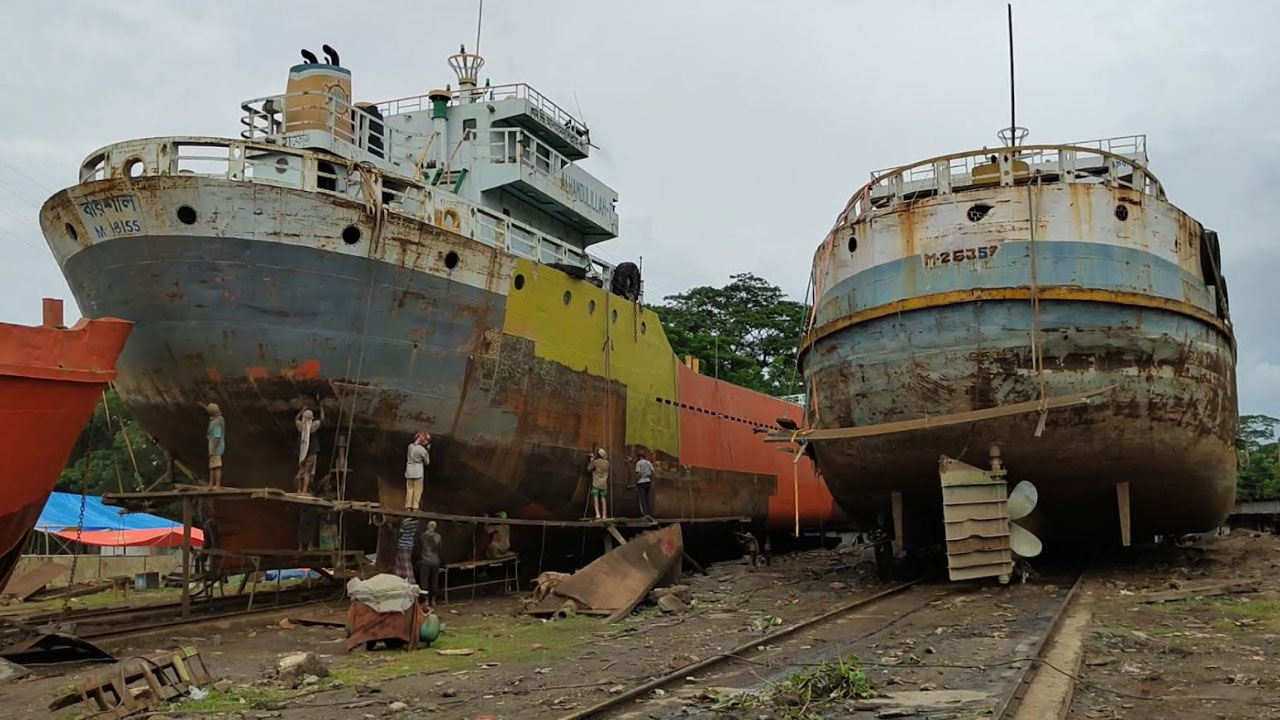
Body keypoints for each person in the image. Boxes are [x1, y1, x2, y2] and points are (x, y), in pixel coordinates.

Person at [294, 405, 324, 495]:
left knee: (301, 470)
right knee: (308, 472)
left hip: (302, 453)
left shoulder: (300, 426)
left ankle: (299, 490)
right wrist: (321, 408)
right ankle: (304, 491)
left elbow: (296, 419)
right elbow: (322, 419)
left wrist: (302, 410)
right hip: (312, 452)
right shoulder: (313, 427)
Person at [418, 520, 443, 604]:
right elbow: (440, 550)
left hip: (425, 561)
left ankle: (426, 600)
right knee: (434, 581)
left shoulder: (422, 536)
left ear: (427, 526)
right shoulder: (438, 537)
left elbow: (419, 548)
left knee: (424, 581)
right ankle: (433, 600)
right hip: (435, 561)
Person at [405, 431, 430, 510]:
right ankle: (415, 507)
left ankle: (408, 506)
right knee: (418, 490)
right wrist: (427, 450)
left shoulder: (410, 446)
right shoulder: (423, 450)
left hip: (409, 471)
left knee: (409, 489)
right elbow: (427, 462)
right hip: (418, 472)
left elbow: (414, 444)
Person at [394, 516, 420, 585]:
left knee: (406, 565)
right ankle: (398, 581)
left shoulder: (405, 522)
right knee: (398, 565)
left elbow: (400, 533)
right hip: (410, 544)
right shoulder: (417, 522)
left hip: (403, 545)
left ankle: (411, 582)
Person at [587, 448, 610, 520]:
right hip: (604, 484)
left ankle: (598, 514)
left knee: (596, 499)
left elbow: (589, 469)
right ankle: (604, 515)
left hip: (596, 484)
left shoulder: (596, 462)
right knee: (603, 500)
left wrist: (591, 461)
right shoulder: (607, 463)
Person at [206, 403, 225, 487]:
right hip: (213, 447)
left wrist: (213, 450)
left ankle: (217, 484)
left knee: (216, 466)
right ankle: (210, 484)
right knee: (212, 466)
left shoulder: (217, 422)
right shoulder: (217, 419)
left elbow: (217, 437)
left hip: (216, 448)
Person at [635, 450, 655, 518]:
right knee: (647, 498)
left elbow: (638, 473)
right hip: (648, 481)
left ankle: (644, 513)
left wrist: (636, 481)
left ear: (639, 456)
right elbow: (653, 472)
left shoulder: (638, 463)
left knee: (642, 499)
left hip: (641, 482)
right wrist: (652, 481)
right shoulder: (648, 462)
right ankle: (648, 513)